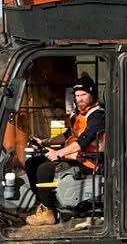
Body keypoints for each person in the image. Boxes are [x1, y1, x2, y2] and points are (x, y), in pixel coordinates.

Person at [26, 75, 104, 225]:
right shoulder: (80, 115)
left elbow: (83, 141)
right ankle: (43, 203)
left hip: (89, 160)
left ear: (92, 95)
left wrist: (58, 153)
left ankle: (48, 212)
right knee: (32, 163)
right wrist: (44, 142)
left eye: (83, 95)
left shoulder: (97, 116)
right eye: (77, 96)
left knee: (44, 169)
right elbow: (69, 134)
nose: (80, 99)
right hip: (75, 156)